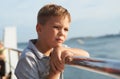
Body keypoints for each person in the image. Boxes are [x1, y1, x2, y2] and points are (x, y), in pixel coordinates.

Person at [15, 4, 89, 79]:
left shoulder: (57, 48)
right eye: (56, 27)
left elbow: (86, 55)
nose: (62, 33)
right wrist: (55, 71)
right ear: (39, 29)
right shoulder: (28, 58)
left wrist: (61, 50)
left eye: (66, 29)